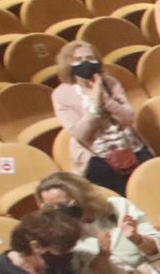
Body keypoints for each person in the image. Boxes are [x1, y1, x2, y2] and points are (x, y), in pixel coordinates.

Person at [49, 40, 144, 195]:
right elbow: (80, 133)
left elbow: (128, 118)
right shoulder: (62, 94)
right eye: (78, 60)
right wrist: (95, 106)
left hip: (129, 146)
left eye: (90, 58)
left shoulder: (111, 83)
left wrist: (105, 99)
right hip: (95, 156)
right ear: (68, 65)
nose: (86, 63)